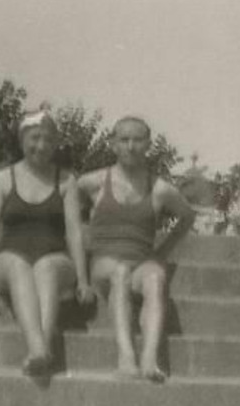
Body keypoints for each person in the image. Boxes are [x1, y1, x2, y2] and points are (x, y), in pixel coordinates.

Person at [0, 108, 96, 376]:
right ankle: (40, 348)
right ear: (22, 140)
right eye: (35, 138)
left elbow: (74, 232)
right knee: (19, 265)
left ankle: (40, 349)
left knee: (46, 267)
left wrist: (84, 281)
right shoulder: (4, 178)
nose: (41, 146)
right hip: (7, 257)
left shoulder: (66, 181)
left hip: (54, 256)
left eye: (49, 140)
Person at [78, 116, 197, 382]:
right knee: (120, 272)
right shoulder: (93, 182)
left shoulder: (160, 189)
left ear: (148, 145)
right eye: (124, 139)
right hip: (104, 263)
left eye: (138, 140)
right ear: (112, 144)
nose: (131, 146)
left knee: (156, 277)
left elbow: (188, 217)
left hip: (142, 261)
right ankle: (126, 358)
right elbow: (65, 212)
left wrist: (161, 253)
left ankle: (149, 359)